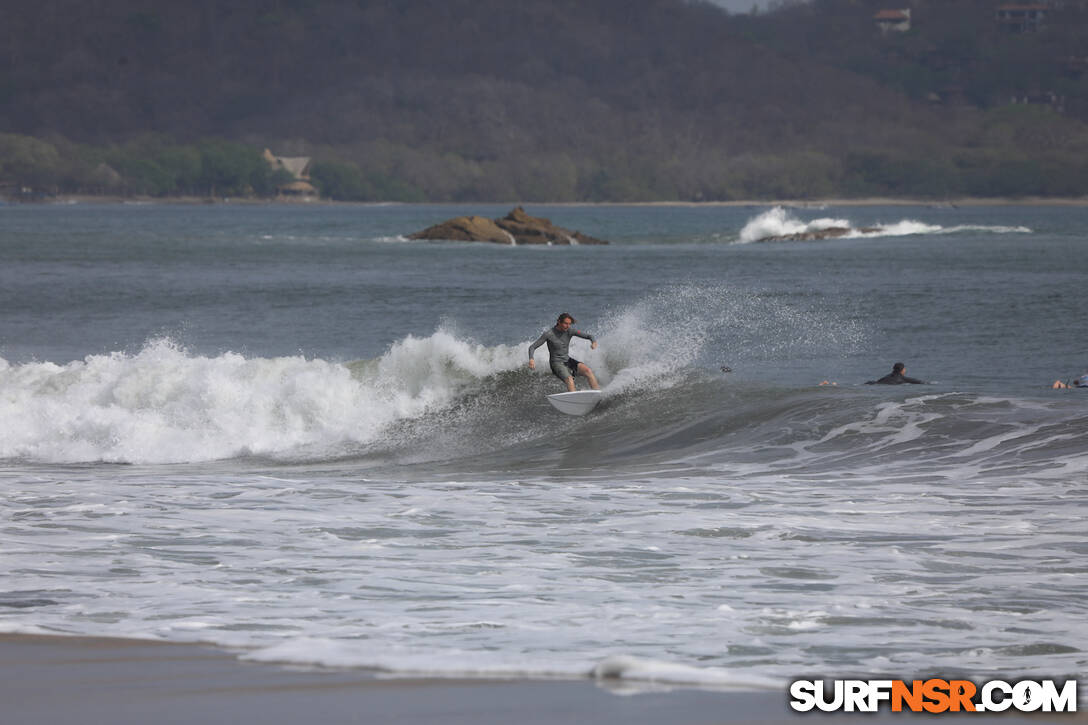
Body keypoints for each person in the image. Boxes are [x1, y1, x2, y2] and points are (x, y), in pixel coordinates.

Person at [528, 313, 600, 392]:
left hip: (567, 360)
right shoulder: (549, 334)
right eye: (566, 323)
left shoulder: (570, 331)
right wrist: (531, 359)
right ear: (559, 322)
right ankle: (574, 401)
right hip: (556, 363)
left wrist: (594, 342)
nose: (568, 326)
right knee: (569, 379)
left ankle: (598, 395)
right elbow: (532, 347)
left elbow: (589, 336)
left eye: (569, 324)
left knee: (588, 371)